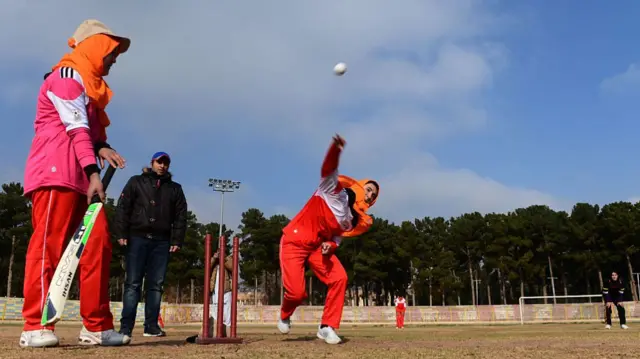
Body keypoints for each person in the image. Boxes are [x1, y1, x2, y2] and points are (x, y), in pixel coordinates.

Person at [20, 19, 131, 348]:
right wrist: (94, 172)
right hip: (56, 175)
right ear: (95, 46)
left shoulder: (91, 87)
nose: (114, 59)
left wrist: (103, 148)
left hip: (82, 176)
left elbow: (91, 134)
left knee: (98, 245)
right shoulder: (66, 77)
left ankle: (96, 327)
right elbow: (76, 129)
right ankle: (35, 326)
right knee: (48, 248)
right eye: (111, 52)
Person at [277, 134, 380, 345]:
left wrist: (331, 245)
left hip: (317, 249)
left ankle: (327, 326)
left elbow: (338, 238)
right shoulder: (332, 190)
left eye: (374, 195)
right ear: (360, 186)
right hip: (294, 241)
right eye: (369, 189)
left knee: (339, 278)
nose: (370, 195)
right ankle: (285, 313)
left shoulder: (352, 220)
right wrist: (336, 149)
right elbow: (329, 168)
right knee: (297, 294)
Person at [114, 152, 188, 338]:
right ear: (152, 162)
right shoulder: (136, 182)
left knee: (156, 285)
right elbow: (123, 207)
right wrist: (121, 233)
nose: (162, 165)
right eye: (159, 162)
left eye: (166, 163)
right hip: (137, 237)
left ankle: (151, 326)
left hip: (161, 241)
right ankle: (126, 327)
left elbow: (181, 216)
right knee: (132, 283)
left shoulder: (175, 189)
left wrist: (177, 239)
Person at [203, 249, 234, 337]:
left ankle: (229, 336)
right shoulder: (214, 264)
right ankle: (215, 335)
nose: (219, 254)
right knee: (215, 314)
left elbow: (232, 267)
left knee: (228, 316)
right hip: (215, 293)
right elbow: (207, 267)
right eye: (218, 252)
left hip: (226, 292)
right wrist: (214, 258)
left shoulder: (227, 261)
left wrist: (224, 258)